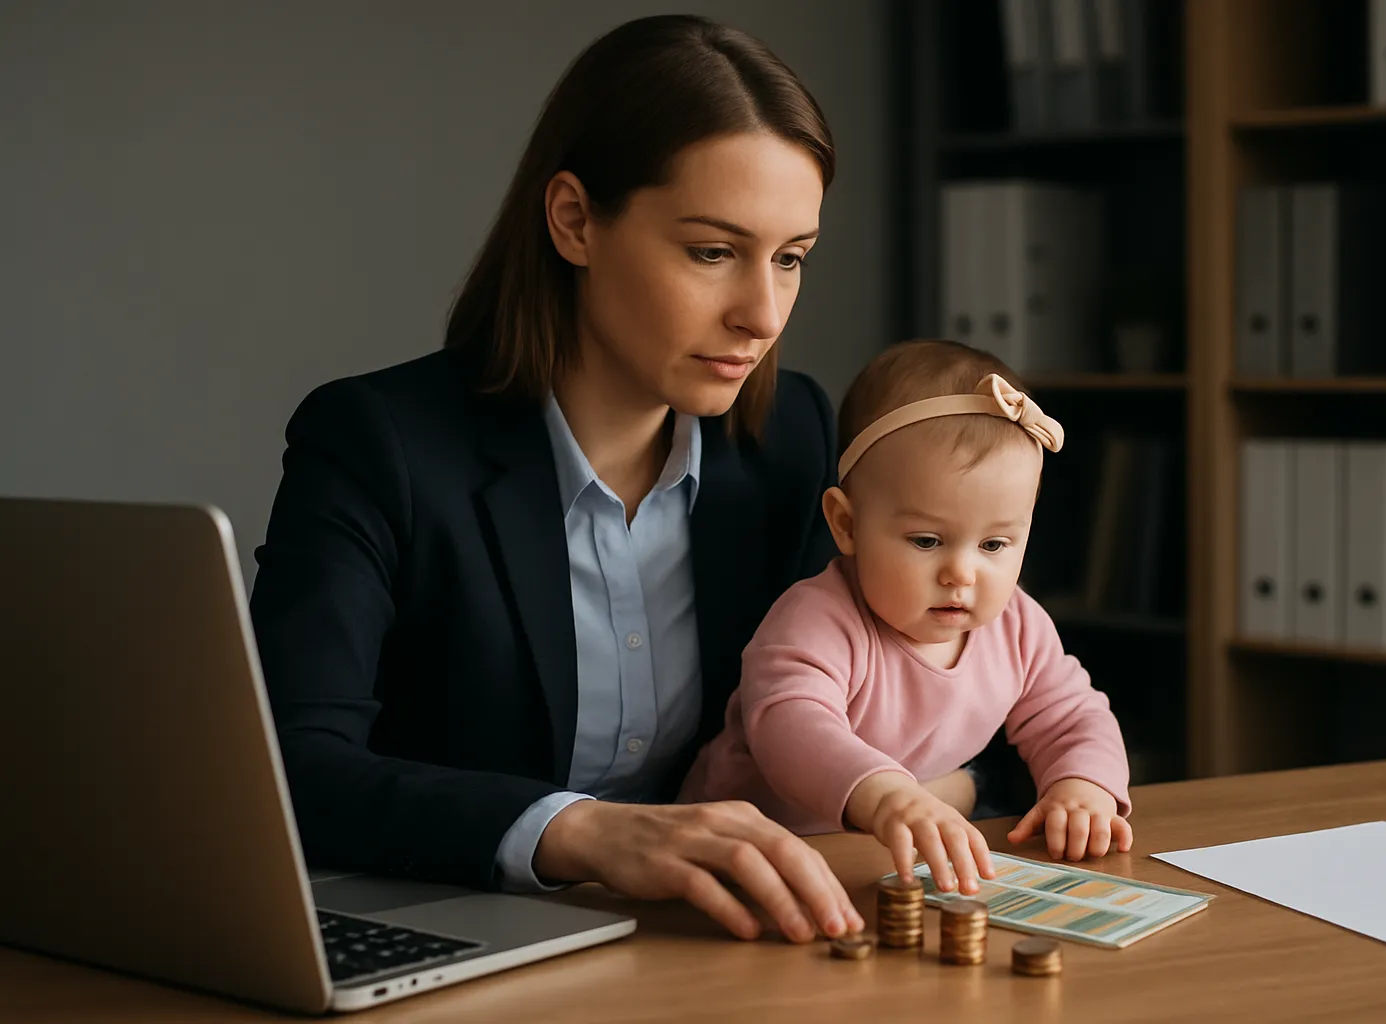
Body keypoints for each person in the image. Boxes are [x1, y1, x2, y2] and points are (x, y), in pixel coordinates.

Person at [249, 13, 977, 946]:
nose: (763, 313)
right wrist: (583, 832)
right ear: (574, 220)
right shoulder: (375, 441)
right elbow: (293, 769)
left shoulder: (792, 434)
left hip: (716, 944)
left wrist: (917, 787)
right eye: (713, 251)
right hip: (453, 936)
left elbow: (890, 691)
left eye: (791, 258)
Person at [678, 339, 1135, 898]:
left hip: (876, 859)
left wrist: (1082, 785)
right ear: (846, 525)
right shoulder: (817, 619)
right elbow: (791, 724)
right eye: (926, 540)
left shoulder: (1016, 625)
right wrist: (886, 794)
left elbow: (1071, 716)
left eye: (994, 544)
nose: (961, 573)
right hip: (747, 857)